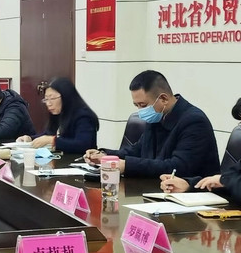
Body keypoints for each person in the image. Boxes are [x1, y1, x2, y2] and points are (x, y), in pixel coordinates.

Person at [85, 70, 219, 178]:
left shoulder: (194, 121)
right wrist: (105, 155)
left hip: (192, 195)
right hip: (157, 189)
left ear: (163, 99)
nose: (140, 111)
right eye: (136, 105)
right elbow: (137, 151)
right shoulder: (158, 116)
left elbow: (177, 167)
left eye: (143, 105)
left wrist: (127, 166)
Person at [16, 77, 99, 153]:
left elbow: (83, 145)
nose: (48, 103)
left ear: (66, 96)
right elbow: (49, 133)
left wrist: (52, 140)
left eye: (52, 98)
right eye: (46, 99)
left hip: (81, 161)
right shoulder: (59, 112)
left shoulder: (83, 116)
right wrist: (31, 138)